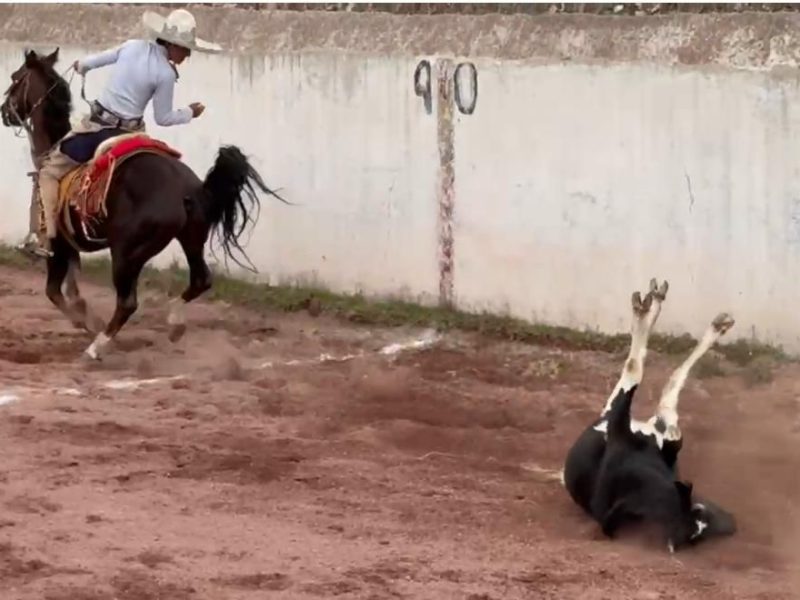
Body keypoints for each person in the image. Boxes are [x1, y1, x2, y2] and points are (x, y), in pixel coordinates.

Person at [18, 8, 222, 259]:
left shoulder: (132, 46)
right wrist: (189, 112)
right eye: (184, 48)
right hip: (133, 134)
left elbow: (92, 62)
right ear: (170, 43)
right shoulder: (166, 74)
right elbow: (164, 118)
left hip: (97, 128)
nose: (187, 53)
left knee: (49, 169)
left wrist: (81, 65)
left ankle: (45, 236)